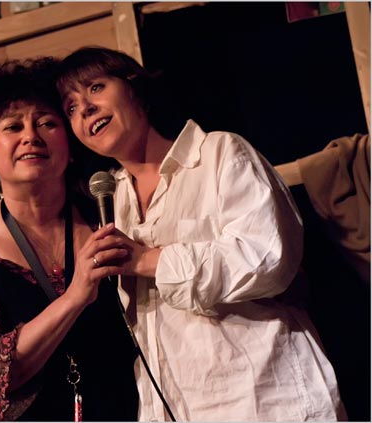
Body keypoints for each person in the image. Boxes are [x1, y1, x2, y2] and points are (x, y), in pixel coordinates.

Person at [54, 46, 346, 421]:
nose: (85, 109)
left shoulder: (219, 153)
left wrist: (147, 260)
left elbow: (268, 257)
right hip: (179, 406)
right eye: (71, 108)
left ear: (134, 86)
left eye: (95, 88)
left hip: (265, 399)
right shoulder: (114, 199)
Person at [0, 57, 138, 421]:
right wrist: (75, 296)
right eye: (13, 127)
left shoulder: (108, 208)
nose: (31, 136)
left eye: (47, 123)